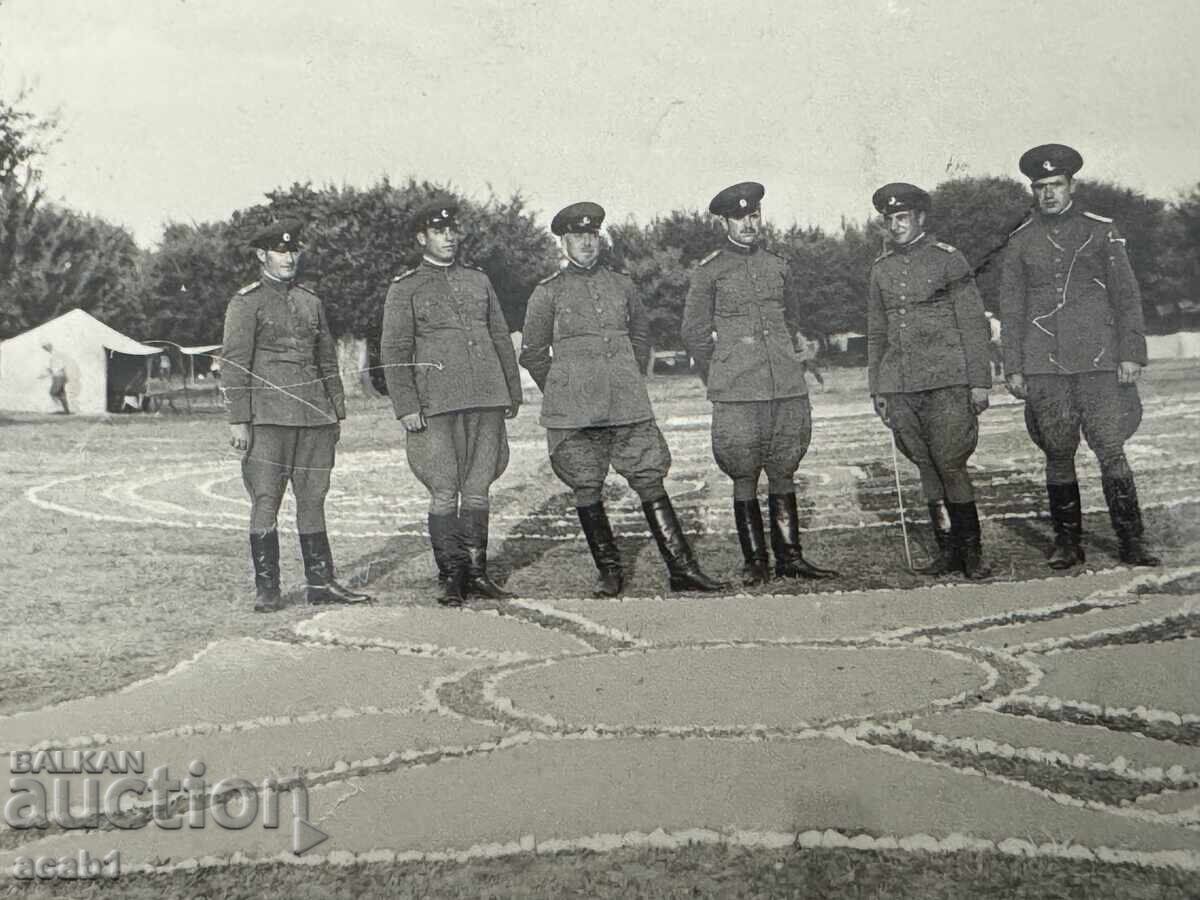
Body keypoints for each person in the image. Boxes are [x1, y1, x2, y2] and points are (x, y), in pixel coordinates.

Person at [520, 202, 725, 596]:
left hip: (626, 405)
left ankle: (682, 568)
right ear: (563, 241)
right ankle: (610, 572)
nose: (586, 243)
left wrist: (626, 378)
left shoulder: (622, 285)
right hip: (575, 414)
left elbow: (641, 337)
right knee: (586, 484)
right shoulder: (547, 294)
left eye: (592, 235)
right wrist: (564, 389)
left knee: (650, 478)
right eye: (578, 236)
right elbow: (532, 354)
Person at [998, 144, 1159, 568]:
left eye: (1056, 185)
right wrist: (1013, 366)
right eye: (1040, 187)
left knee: (1110, 449)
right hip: (1045, 366)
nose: (1048, 194)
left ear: (1073, 185)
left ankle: (1131, 540)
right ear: (1032, 191)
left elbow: (1127, 297)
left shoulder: (1101, 231)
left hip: (1099, 363)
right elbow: (1011, 310)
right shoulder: (1019, 242)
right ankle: (1068, 543)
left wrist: (1131, 354)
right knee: (1057, 452)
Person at [682, 181, 838, 587]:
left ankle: (791, 556)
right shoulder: (710, 271)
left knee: (785, 468)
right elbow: (694, 333)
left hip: (785, 385)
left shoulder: (778, 265)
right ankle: (756, 561)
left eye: (754, 216)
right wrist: (718, 373)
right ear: (724, 223)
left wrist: (798, 354)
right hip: (737, 390)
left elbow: (793, 320)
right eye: (740, 218)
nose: (749, 224)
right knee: (743, 472)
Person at [222, 220, 372, 612]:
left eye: (293, 250)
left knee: (313, 499)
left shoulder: (311, 302)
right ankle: (268, 589)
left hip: (315, 417)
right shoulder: (246, 302)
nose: (288, 257)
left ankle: (320, 582)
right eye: (279, 250)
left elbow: (326, 360)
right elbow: (235, 364)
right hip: (267, 419)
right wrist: (239, 419)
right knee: (266, 499)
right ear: (262, 255)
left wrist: (336, 410)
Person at [380, 196, 524, 606]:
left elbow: (499, 335)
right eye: (438, 231)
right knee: (444, 491)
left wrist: (510, 392)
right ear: (421, 237)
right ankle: (451, 576)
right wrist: (406, 405)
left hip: (486, 397)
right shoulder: (406, 287)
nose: (448, 237)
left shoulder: (478, 281)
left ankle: (478, 573)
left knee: (478, 489)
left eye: (451, 230)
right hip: (436, 403)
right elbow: (394, 349)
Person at [867, 183, 993, 578]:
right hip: (902, 384)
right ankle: (946, 551)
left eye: (902, 217)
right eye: (889, 219)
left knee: (951, 464)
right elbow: (876, 333)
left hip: (947, 381)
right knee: (925, 466)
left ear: (921, 217)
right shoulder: (881, 270)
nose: (895, 225)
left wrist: (979, 381)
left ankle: (971, 554)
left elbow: (973, 324)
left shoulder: (948, 260)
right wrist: (879, 388)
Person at [41, 343, 71, 414]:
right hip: (58, 376)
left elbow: (60, 367)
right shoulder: (52, 355)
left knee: (53, 392)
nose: (45, 349)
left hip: (58, 377)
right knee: (61, 393)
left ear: (49, 347)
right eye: (44, 348)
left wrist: (49, 371)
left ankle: (58, 408)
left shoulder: (55, 355)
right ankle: (66, 411)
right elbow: (54, 368)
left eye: (46, 347)